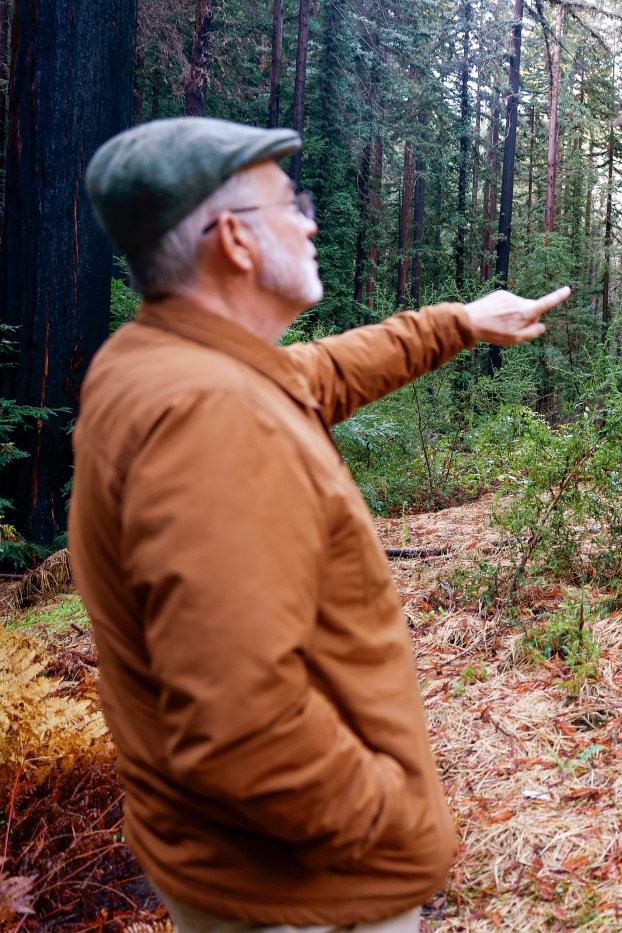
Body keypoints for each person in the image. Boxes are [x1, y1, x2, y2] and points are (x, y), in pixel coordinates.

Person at [68, 117, 570, 932]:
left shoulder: (165, 361)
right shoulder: (210, 414)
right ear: (232, 239)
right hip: (303, 895)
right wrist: (396, 823)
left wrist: (462, 322)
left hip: (249, 873)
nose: (309, 219)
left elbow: (322, 370)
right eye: (288, 203)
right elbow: (241, 728)